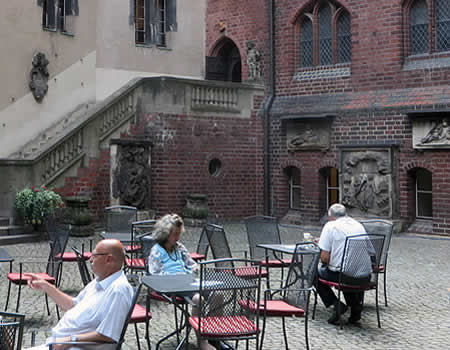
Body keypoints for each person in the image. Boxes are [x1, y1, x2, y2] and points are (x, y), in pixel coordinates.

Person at [26, 239, 133, 350]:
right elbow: (72, 305)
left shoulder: (119, 290)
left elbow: (108, 335)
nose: (90, 259)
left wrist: (70, 339)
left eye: (95, 255)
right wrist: (46, 286)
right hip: (59, 343)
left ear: (108, 259)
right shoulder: (100, 281)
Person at [148, 213, 229, 350]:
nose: (178, 237)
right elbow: (155, 273)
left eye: (179, 234)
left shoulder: (179, 248)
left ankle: (215, 337)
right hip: (172, 285)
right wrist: (176, 276)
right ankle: (201, 341)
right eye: (175, 234)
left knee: (218, 294)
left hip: (189, 281)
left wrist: (194, 270)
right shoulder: (157, 250)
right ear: (165, 234)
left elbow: (191, 264)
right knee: (198, 299)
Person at [316, 203, 371, 325]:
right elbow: (370, 250)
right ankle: (355, 307)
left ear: (331, 217)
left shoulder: (330, 226)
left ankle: (336, 304)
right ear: (345, 214)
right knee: (345, 267)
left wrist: (322, 247)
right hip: (365, 276)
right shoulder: (358, 225)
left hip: (344, 276)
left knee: (314, 273)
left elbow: (324, 258)